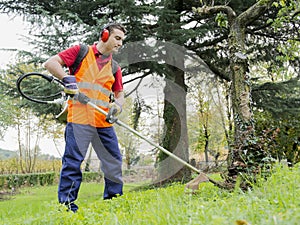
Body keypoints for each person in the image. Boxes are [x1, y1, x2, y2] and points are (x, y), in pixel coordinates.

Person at [44, 23, 126, 212]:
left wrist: (118, 106)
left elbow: (119, 94)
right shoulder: (80, 51)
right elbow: (51, 63)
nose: (120, 43)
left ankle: (114, 203)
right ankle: (67, 206)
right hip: (79, 118)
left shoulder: (114, 67)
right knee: (73, 162)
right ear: (105, 35)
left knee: (113, 161)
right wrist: (68, 79)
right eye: (117, 38)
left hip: (103, 120)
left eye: (122, 40)